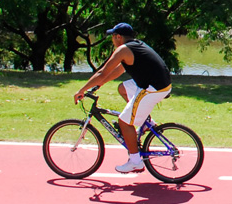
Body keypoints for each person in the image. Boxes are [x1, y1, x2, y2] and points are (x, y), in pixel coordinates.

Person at [74, 23, 172, 173]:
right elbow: (116, 71)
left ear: (118, 37)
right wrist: (99, 85)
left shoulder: (123, 50)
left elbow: (102, 72)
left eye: (113, 37)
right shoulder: (134, 46)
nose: (112, 40)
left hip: (154, 88)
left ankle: (135, 161)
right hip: (157, 83)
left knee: (124, 122)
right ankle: (146, 122)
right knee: (122, 88)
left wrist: (82, 89)